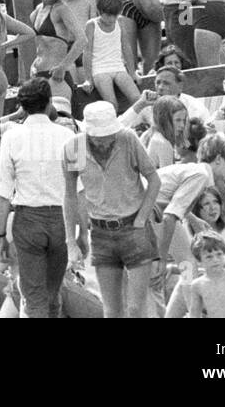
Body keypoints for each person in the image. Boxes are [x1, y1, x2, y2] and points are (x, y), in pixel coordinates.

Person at [63, 100, 161, 318]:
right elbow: (70, 195)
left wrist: (141, 218)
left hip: (134, 227)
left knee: (136, 308)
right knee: (111, 310)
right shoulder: (75, 148)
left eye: (109, 135)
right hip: (100, 231)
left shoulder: (127, 139)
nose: (106, 141)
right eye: (100, 137)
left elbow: (154, 179)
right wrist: (73, 239)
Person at [0, 77, 74, 318]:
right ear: (49, 103)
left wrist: (0, 235)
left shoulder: (10, 137)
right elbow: (79, 189)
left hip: (28, 218)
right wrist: (81, 232)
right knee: (53, 291)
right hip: (62, 218)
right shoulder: (70, 137)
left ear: (22, 107)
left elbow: (2, 192)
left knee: (34, 295)